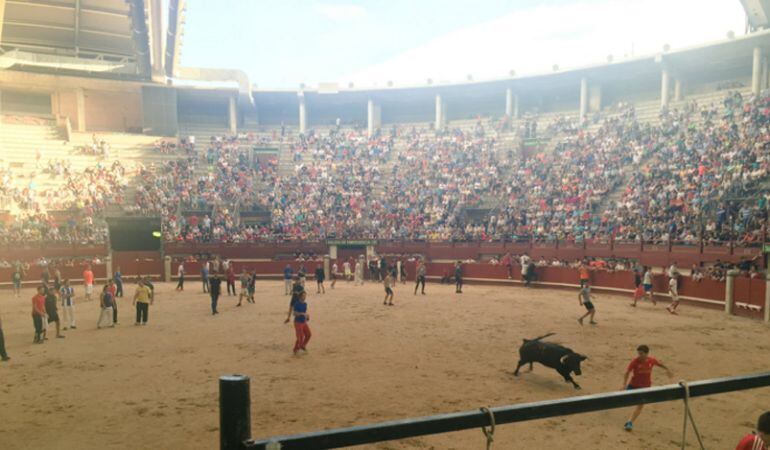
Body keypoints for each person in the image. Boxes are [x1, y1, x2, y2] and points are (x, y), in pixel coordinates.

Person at [622, 345, 672, 431]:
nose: (639, 355)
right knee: (623, 400)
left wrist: (667, 369)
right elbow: (627, 372)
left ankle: (630, 422)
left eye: (641, 354)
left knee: (640, 405)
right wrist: (624, 385)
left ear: (646, 353)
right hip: (633, 385)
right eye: (638, 353)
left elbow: (659, 364)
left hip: (645, 387)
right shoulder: (635, 361)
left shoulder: (651, 360)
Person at [285, 291, 311, 355]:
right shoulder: (297, 304)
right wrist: (302, 314)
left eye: (305, 296)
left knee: (308, 334)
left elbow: (305, 312)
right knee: (300, 336)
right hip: (298, 322)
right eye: (303, 296)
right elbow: (294, 313)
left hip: (303, 322)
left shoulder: (305, 304)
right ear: (300, 296)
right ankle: (297, 348)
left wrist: (307, 317)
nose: (304, 297)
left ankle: (302, 346)